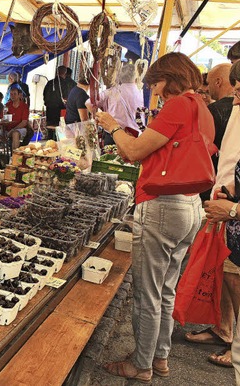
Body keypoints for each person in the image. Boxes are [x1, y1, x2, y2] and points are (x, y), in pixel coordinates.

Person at [96, 52, 215, 383]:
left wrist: (113, 127)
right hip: (190, 205)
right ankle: (159, 357)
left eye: (158, 84)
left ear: (170, 78)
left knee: (147, 292)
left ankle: (142, 364)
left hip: (164, 205)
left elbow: (134, 152)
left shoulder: (178, 105)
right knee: (165, 289)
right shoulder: (200, 108)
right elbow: (160, 147)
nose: (156, 92)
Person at [191, 61, 240, 370]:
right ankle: (227, 332)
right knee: (229, 272)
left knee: (233, 276)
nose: (234, 97)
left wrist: (233, 208)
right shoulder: (233, 109)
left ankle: (231, 338)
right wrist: (230, 190)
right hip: (227, 202)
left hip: (232, 212)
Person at [199, 63, 234, 202]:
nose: (208, 88)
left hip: (214, 181)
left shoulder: (213, 110)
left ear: (218, 81)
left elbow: (202, 149)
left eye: (208, 83)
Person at [93, 63, 143, 145]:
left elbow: (89, 103)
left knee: (109, 156)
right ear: (136, 77)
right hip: (134, 134)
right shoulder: (141, 92)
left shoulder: (112, 91)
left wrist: (102, 113)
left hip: (113, 133)